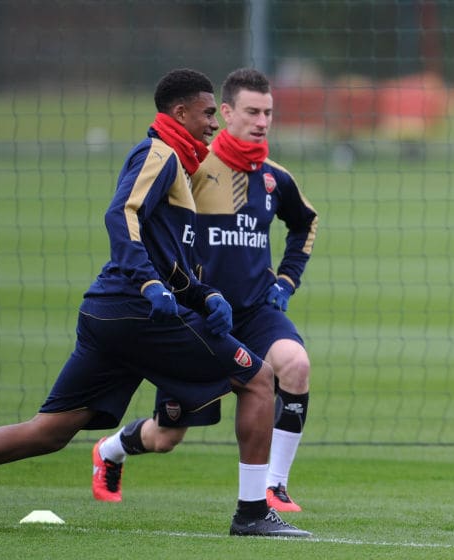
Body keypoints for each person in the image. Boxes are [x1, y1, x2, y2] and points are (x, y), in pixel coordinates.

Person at [0, 68, 309, 538]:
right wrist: (150, 285)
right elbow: (123, 213)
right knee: (257, 378)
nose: (214, 122)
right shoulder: (159, 152)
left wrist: (202, 292)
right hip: (138, 311)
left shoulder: (182, 162)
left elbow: (168, 253)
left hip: (109, 314)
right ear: (180, 112)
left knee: (50, 431)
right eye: (208, 112)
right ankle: (254, 513)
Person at [95, 67, 318, 513]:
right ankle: (110, 452)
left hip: (255, 313)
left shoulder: (276, 178)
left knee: (294, 365)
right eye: (252, 111)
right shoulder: (192, 166)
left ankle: (274, 487)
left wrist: (286, 280)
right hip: (200, 317)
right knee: (166, 436)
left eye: (269, 112)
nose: (262, 121)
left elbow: (305, 223)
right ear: (227, 112)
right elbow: (142, 220)